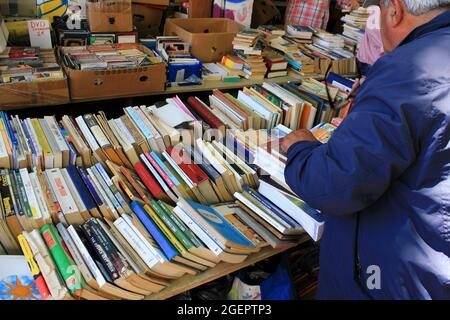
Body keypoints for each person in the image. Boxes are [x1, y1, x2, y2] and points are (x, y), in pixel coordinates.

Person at [280, 0, 450, 299]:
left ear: (394, 11)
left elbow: (336, 182)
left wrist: (300, 148)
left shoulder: (409, 69)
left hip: (389, 276)